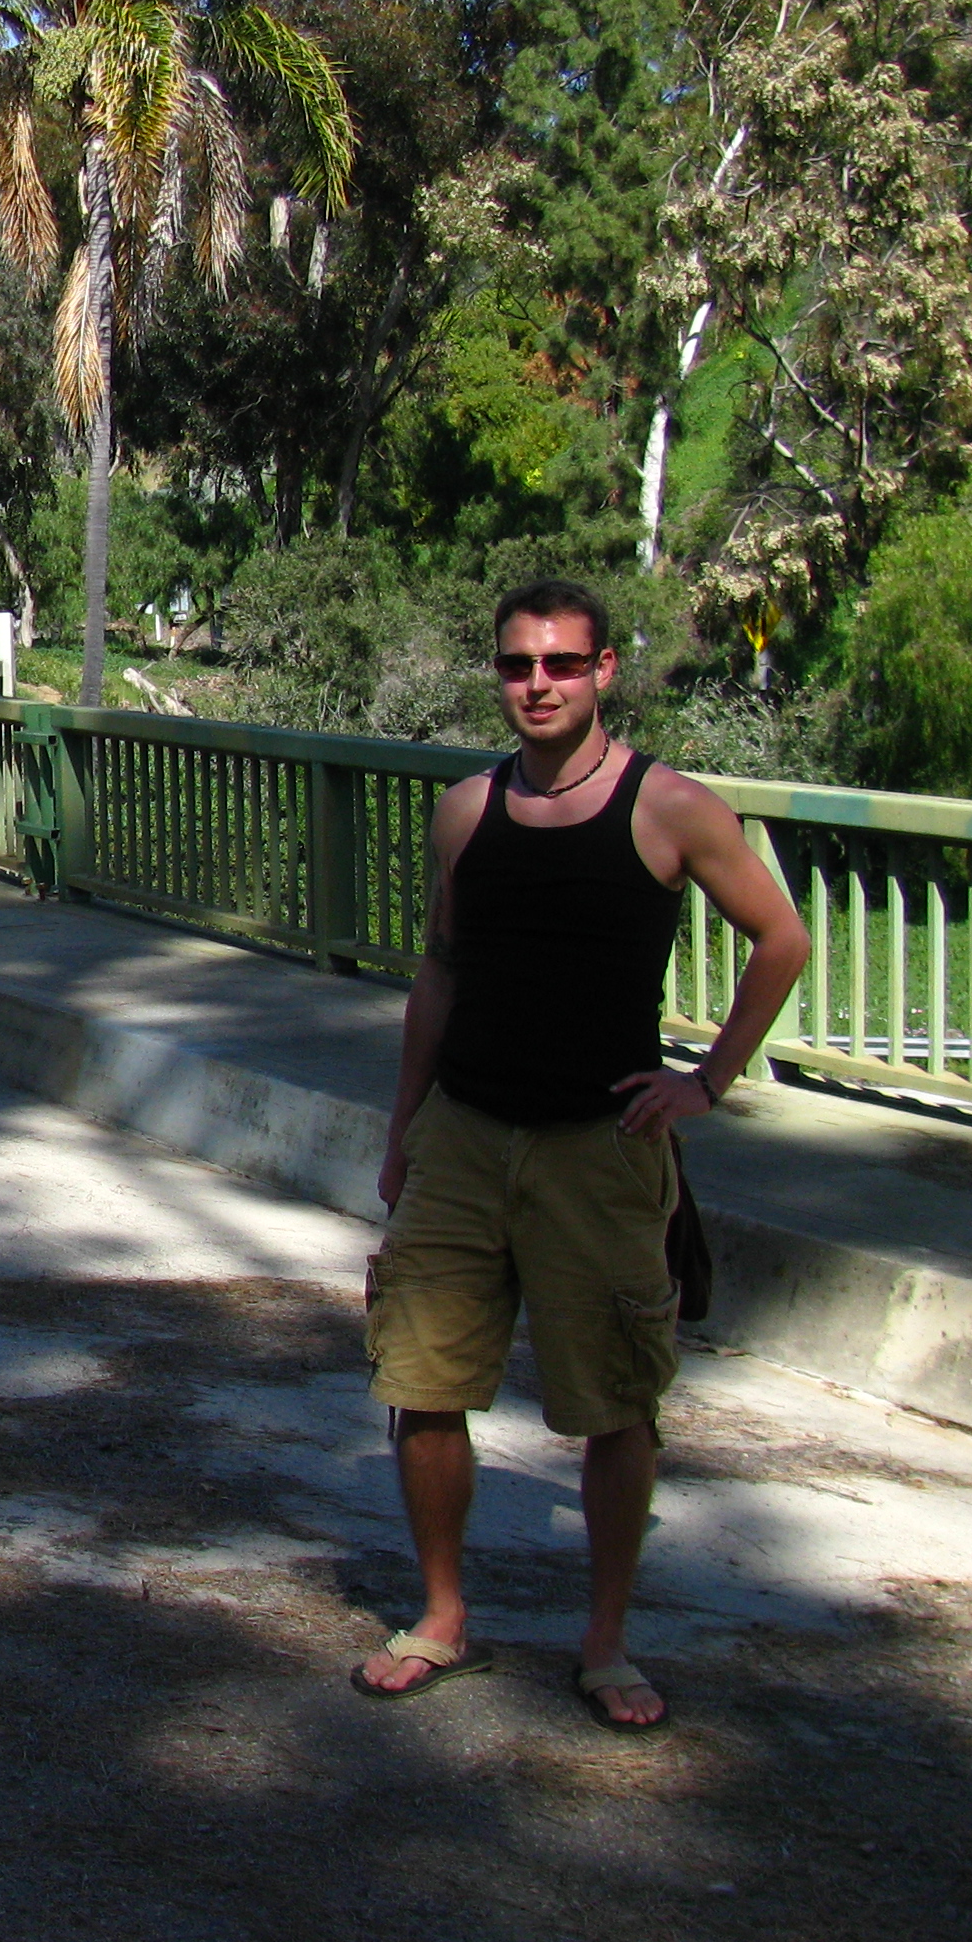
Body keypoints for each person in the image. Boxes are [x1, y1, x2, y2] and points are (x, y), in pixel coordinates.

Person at [353, 579, 808, 1731]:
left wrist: (705, 1082)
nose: (538, 684)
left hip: (600, 1147)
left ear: (605, 670)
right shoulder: (467, 810)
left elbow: (781, 938)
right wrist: (404, 1135)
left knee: (617, 1402)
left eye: (561, 663)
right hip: (464, 1133)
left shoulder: (672, 809)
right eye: (518, 665)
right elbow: (441, 972)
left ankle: (605, 1645)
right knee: (421, 1384)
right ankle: (442, 1615)